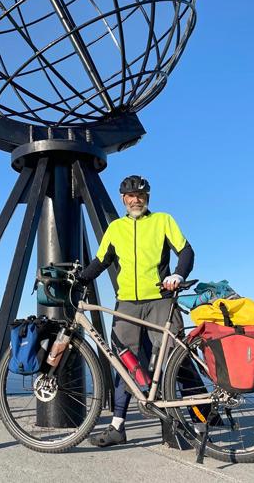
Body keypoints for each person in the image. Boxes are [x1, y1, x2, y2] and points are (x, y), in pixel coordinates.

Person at [78, 174, 194, 447]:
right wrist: (80, 278)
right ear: (123, 199)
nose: (135, 200)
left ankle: (198, 420)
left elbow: (186, 250)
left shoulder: (162, 220)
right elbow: (101, 261)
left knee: (176, 358)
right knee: (124, 362)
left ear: (147, 198)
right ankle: (118, 426)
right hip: (127, 302)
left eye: (140, 195)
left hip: (160, 298)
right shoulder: (115, 228)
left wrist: (178, 274)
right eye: (131, 196)